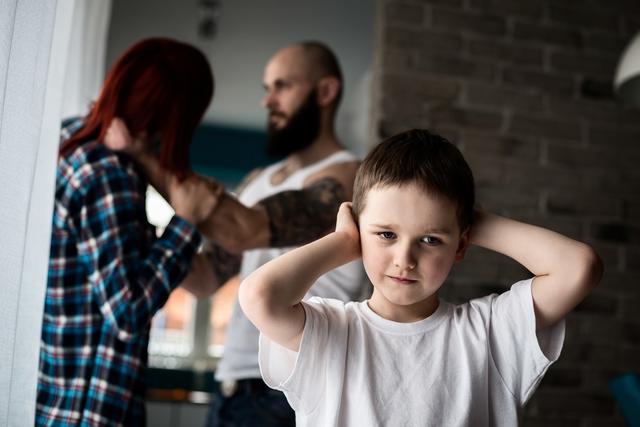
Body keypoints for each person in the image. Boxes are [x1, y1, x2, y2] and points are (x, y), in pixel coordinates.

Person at [240, 129, 604, 426]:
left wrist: (471, 222)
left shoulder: (490, 333)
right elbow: (259, 295)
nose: (405, 259)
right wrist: (344, 242)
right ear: (358, 231)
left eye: (430, 239)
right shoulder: (330, 331)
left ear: (459, 246)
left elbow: (579, 267)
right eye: (386, 234)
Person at [105, 41, 367, 426]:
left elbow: (244, 229)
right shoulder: (256, 181)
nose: (268, 101)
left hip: (293, 390)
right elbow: (207, 277)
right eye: (266, 88)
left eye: (282, 86)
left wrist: (143, 156)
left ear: (325, 91)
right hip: (230, 388)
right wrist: (138, 235)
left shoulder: (348, 177)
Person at [36, 38, 220, 426]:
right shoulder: (107, 173)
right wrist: (184, 226)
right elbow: (126, 311)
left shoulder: (67, 140)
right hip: (89, 409)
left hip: (56, 400)